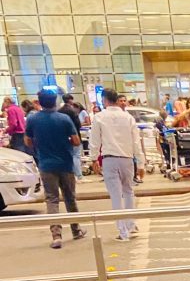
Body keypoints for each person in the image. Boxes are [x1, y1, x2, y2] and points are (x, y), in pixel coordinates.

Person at [24, 90, 87, 249]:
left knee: (52, 199)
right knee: (70, 197)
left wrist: (40, 145)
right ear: (55, 101)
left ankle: (56, 235)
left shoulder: (33, 119)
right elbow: (76, 141)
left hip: (46, 164)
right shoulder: (64, 118)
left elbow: (28, 141)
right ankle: (76, 230)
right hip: (65, 164)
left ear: (40, 102)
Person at [89, 88, 144, 242]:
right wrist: (140, 163)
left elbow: (95, 141)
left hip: (110, 159)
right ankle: (131, 225)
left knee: (116, 195)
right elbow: (136, 142)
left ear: (104, 99)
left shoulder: (99, 117)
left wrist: (93, 159)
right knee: (128, 192)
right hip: (127, 158)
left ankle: (122, 231)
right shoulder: (128, 117)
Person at [59, 94, 83, 179]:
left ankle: (70, 174)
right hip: (75, 136)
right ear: (70, 100)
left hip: (63, 137)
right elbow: (78, 124)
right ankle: (78, 175)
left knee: (68, 156)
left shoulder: (59, 111)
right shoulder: (73, 111)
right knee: (76, 155)